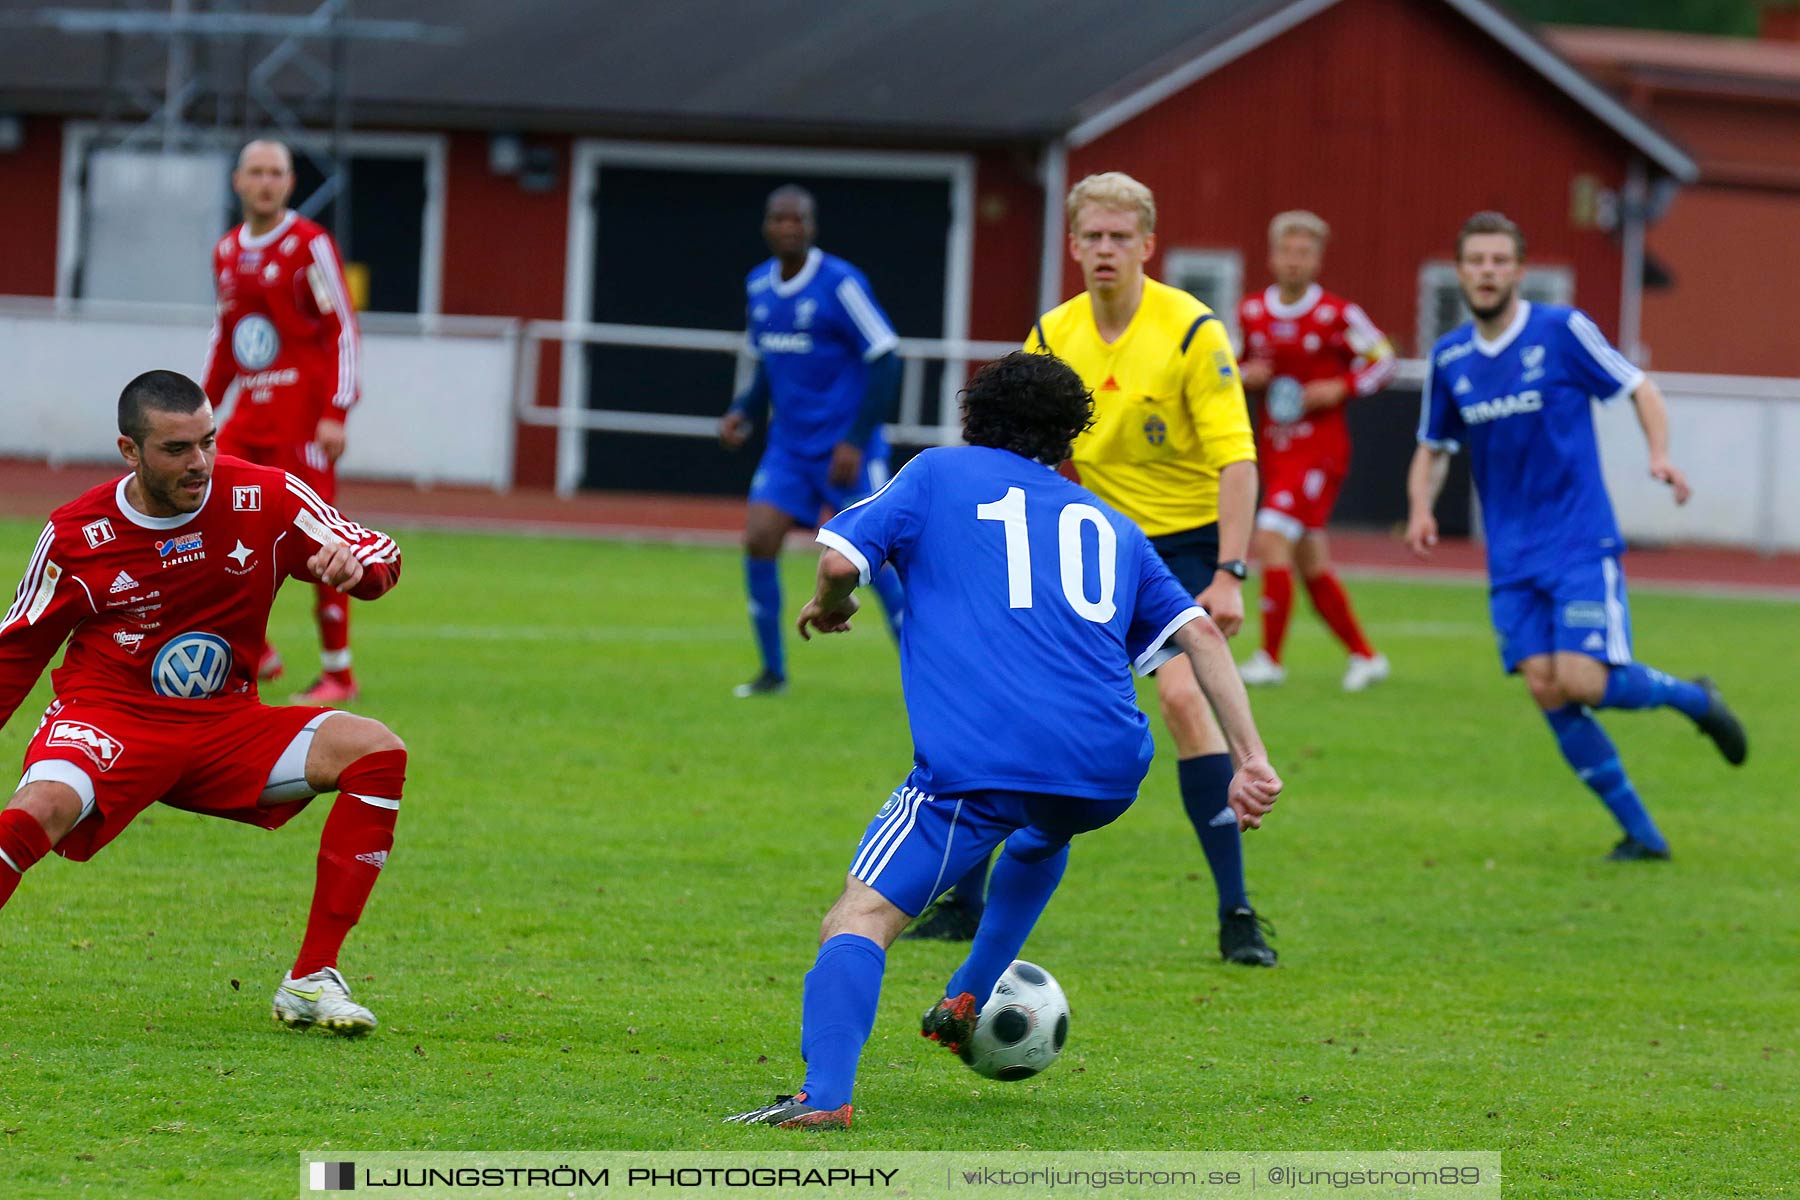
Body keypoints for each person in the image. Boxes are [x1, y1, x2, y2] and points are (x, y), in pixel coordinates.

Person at [726, 353, 1281, 1129]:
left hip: (981, 762)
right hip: (1108, 767)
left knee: (859, 918)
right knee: (1045, 825)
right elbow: (1202, 637)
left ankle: (824, 1099)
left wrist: (832, 603)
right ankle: (969, 990)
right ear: (1068, 444)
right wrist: (1250, 760)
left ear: (972, 418)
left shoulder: (937, 475)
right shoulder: (1113, 525)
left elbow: (836, 558)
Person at [915, 173, 1277, 966]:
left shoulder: (1191, 332)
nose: (1105, 250)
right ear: (1072, 245)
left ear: (1148, 244)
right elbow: (1017, 451)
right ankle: (964, 898)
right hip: (1092, 541)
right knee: (1011, 698)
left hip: (1183, 543)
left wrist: (1230, 572)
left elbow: (1238, 462)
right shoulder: (1055, 333)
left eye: (1121, 237)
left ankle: (1237, 911)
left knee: (1183, 696)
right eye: (1092, 237)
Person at [0, 370, 406, 1033]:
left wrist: (360, 569)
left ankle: (310, 980)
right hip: (110, 717)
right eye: (177, 449)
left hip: (227, 725)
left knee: (375, 750)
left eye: (208, 442)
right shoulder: (78, 535)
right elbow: (12, 654)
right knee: (39, 808)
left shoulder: (263, 494)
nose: (201, 463)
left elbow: (371, 546)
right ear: (130, 451)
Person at [1407, 212, 1747, 860]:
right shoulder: (1450, 356)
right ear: (1460, 271)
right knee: (1545, 685)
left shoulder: (1560, 332)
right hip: (1510, 554)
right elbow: (1432, 445)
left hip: (1577, 541)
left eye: (1499, 260)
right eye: (1475, 260)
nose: (1487, 271)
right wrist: (1421, 508)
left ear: (1518, 270)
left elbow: (1638, 386)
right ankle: (1643, 837)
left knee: (1584, 681)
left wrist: (1660, 454)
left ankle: (1695, 700)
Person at [718, 184, 905, 698]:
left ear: (812, 226)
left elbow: (887, 357)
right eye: (779, 219)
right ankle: (773, 672)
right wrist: (743, 411)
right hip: (789, 448)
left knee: (879, 560)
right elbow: (767, 368)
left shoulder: (840, 283)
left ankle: (924, 675)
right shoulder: (758, 286)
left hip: (846, 450)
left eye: (797, 220)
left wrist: (855, 439)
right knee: (758, 538)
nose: (788, 228)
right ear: (766, 226)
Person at [202, 139, 364, 704]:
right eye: (256, 172)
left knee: (321, 540)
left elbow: (343, 326)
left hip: (302, 423)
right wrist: (197, 410)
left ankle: (338, 672)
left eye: (277, 173)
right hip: (249, 421)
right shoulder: (226, 251)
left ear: (290, 184)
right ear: (238, 182)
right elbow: (227, 340)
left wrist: (335, 412)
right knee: (213, 523)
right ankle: (254, 649)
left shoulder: (308, 245)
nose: (266, 182)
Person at [1237, 211, 1395, 691]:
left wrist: (1342, 386)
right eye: (1287, 251)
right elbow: (1228, 366)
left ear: (1317, 260)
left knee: (1268, 536)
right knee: (1310, 563)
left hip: (1321, 450)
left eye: (1304, 253)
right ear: (1272, 255)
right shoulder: (1251, 312)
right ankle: (1365, 656)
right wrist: (1247, 374)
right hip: (1277, 448)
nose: (1294, 261)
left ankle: (1269, 658)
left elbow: (1383, 359)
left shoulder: (1336, 314)